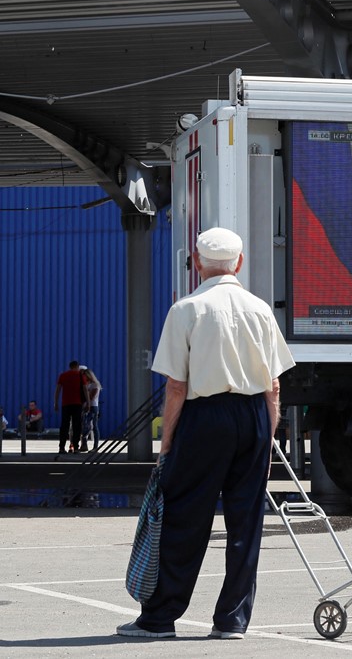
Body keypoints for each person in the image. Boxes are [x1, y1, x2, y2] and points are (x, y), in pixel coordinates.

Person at [116, 226, 295, 640]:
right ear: (240, 262)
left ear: (197, 263)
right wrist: (266, 439)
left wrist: (167, 445)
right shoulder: (260, 310)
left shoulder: (186, 309)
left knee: (184, 517)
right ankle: (232, 620)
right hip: (251, 415)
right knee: (246, 521)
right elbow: (274, 386)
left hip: (204, 418)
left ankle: (160, 619)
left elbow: (176, 387)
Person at [54, 361, 86, 455]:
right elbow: (85, 390)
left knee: (64, 426)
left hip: (66, 404)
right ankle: (76, 447)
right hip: (77, 403)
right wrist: (88, 402)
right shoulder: (80, 376)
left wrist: (56, 402)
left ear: (70, 366)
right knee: (77, 426)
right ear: (77, 366)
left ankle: (61, 447)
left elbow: (58, 390)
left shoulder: (63, 375)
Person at [81, 367, 102, 452]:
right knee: (85, 425)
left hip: (93, 407)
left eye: (85, 376)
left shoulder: (95, 385)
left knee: (94, 426)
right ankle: (84, 444)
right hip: (85, 406)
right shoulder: (86, 384)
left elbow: (91, 397)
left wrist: (86, 393)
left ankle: (95, 446)